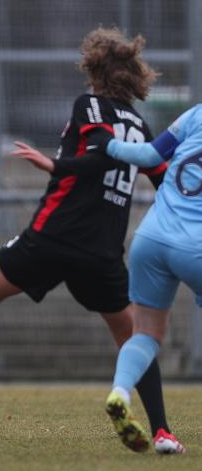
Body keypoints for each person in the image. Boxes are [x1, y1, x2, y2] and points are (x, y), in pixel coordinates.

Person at [0, 27, 184, 454]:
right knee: (135, 339)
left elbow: (98, 156)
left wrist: (54, 165)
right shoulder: (140, 125)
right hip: (103, 252)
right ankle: (163, 431)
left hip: (54, 235)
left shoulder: (89, 104)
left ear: (93, 70)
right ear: (133, 77)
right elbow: (164, 179)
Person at [86, 103, 202, 453]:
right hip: (195, 246)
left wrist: (108, 145)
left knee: (145, 332)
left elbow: (150, 153)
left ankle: (120, 392)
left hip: (150, 238)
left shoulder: (197, 113)